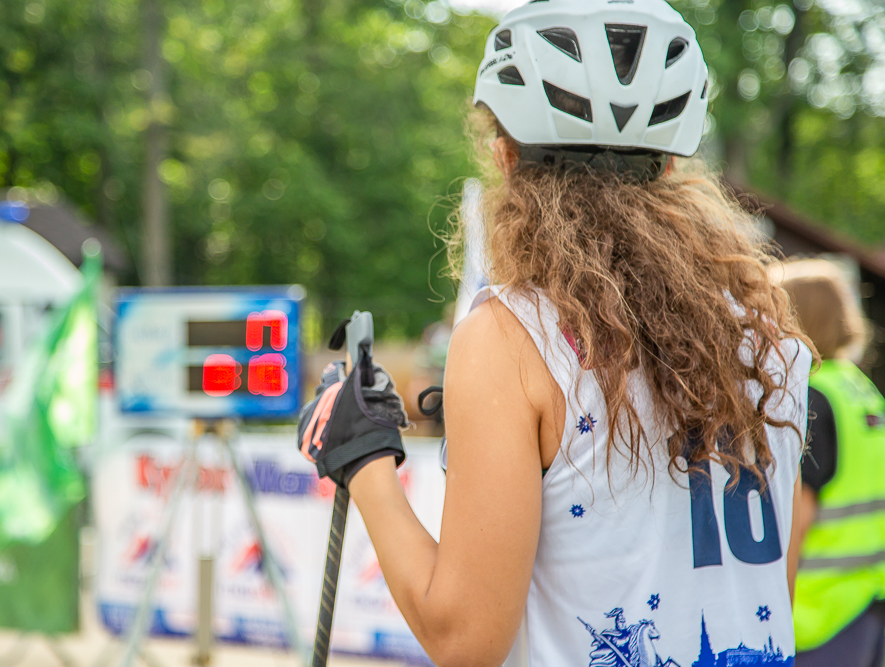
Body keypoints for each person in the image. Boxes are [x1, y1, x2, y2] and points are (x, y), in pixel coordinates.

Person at [298, 2, 813, 665]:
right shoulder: (769, 337)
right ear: (667, 168)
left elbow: (463, 637)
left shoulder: (514, 339)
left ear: (507, 158)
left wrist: (362, 457)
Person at [779, 259, 885, 667]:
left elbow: (798, 517)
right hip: (865, 603)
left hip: (816, 613)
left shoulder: (813, 397)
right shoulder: (862, 391)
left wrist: (773, 608)